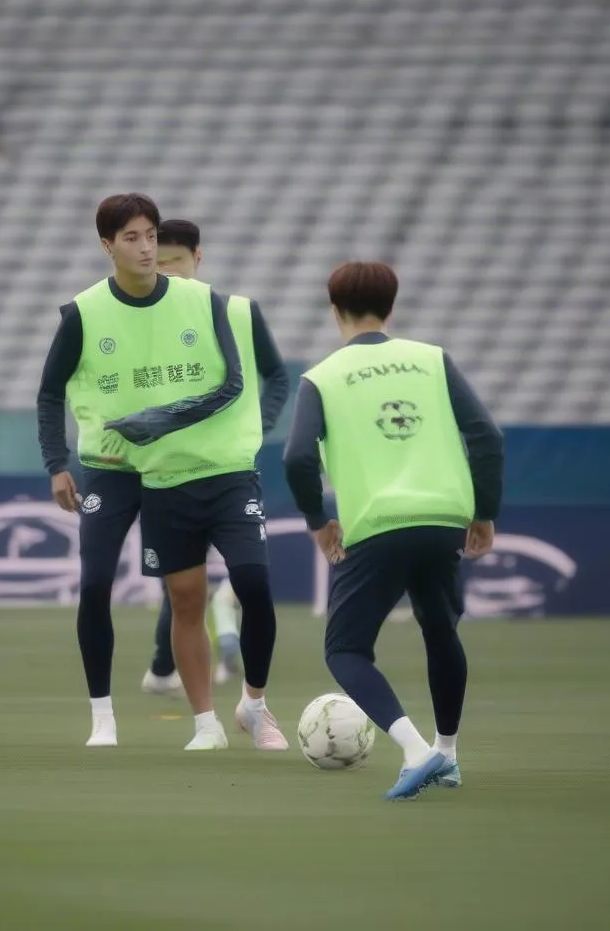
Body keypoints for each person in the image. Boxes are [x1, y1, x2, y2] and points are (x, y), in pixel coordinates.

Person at [283, 261, 504, 800]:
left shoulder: (322, 378)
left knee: (345, 651)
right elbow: (487, 437)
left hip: (378, 525)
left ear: (335, 311)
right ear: (392, 308)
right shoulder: (432, 360)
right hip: (442, 521)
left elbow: (296, 458)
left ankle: (415, 749)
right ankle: (447, 755)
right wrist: (484, 512)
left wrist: (318, 522)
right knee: (440, 631)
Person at [38, 193, 246, 748]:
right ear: (107, 246)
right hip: (108, 469)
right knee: (95, 585)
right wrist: (57, 464)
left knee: (186, 595)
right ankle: (102, 716)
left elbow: (231, 386)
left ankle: (207, 723)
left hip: (173, 470)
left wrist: (161, 419)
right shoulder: (82, 312)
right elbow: (48, 394)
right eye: (131, 238)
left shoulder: (200, 301)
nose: (146, 247)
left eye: (151, 235)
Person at [102, 215, 289, 753]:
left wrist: (260, 422)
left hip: (231, 473)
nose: (164, 270)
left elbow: (273, 375)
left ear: (198, 260)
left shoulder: (233, 311)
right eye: (157, 262)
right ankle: (205, 721)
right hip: (165, 478)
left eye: (174, 261)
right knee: (184, 600)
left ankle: (254, 706)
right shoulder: (138, 322)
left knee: (253, 583)